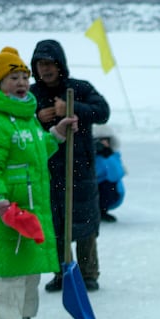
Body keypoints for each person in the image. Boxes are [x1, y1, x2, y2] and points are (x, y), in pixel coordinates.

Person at [0, 47, 77, 319]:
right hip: (8, 210)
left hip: (31, 208)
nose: (20, 83)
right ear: (0, 82)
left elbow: (35, 152)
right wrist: (0, 201)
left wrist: (55, 134)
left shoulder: (26, 115)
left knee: (30, 268)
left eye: (23, 77)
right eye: (13, 77)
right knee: (9, 272)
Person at [30, 39, 110, 292]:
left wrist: (72, 107)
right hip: (48, 170)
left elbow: (103, 111)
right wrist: (36, 117)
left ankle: (88, 274)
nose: (46, 69)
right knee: (54, 224)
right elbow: (17, 123)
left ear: (60, 64)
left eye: (50, 63)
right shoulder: (32, 94)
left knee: (85, 222)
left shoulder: (80, 88)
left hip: (80, 168)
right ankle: (62, 273)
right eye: (41, 64)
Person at [93, 125, 125, 223]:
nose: (102, 143)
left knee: (108, 186)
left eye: (105, 140)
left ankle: (102, 210)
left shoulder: (113, 155)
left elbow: (115, 176)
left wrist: (108, 156)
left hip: (107, 192)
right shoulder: (86, 156)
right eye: (98, 140)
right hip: (90, 188)